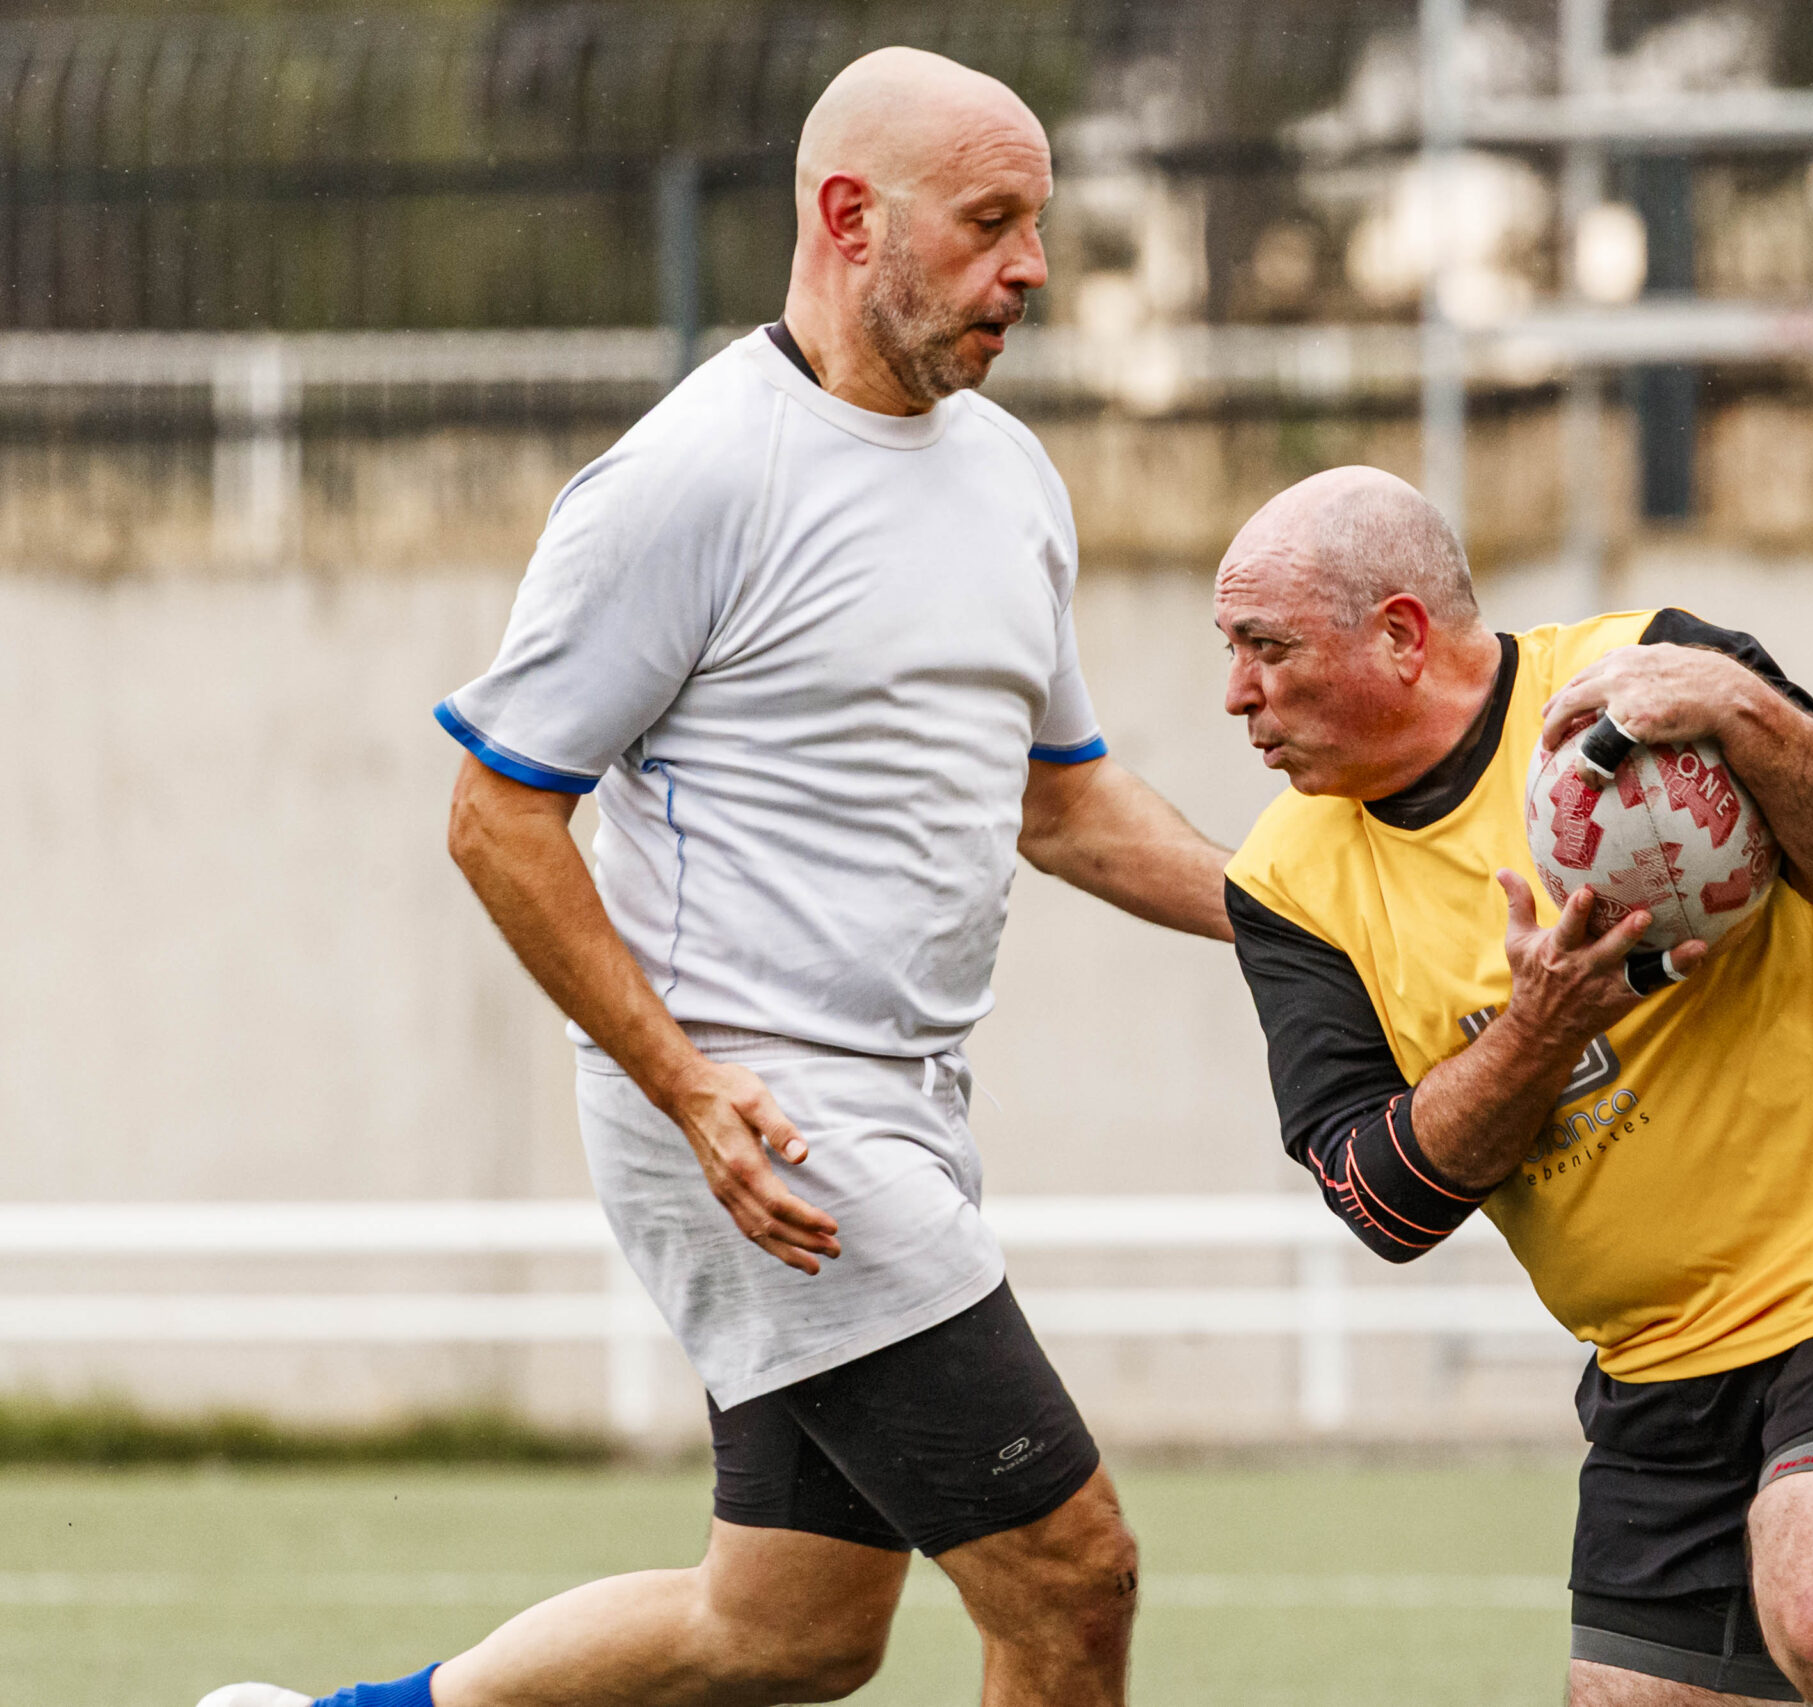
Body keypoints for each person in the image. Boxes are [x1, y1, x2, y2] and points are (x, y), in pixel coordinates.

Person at [201, 47, 1230, 1707]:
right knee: (1071, 1572)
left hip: (904, 1107)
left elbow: (1071, 806)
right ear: (850, 218)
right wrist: (689, 1093)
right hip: (760, 1126)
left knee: (789, 1632)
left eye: (1034, 225)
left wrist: (1315, 929)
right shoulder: (690, 478)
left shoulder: (1012, 478)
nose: (1030, 267)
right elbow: (497, 815)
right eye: (988, 225)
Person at [1215, 466, 1813, 1707]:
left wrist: (1746, 710)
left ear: (1397, 635)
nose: (1235, 694)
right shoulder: (1284, 884)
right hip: (1661, 1351)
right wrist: (1540, 1029)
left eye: (1264, 648)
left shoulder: (1656, 673)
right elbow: (1384, 1203)